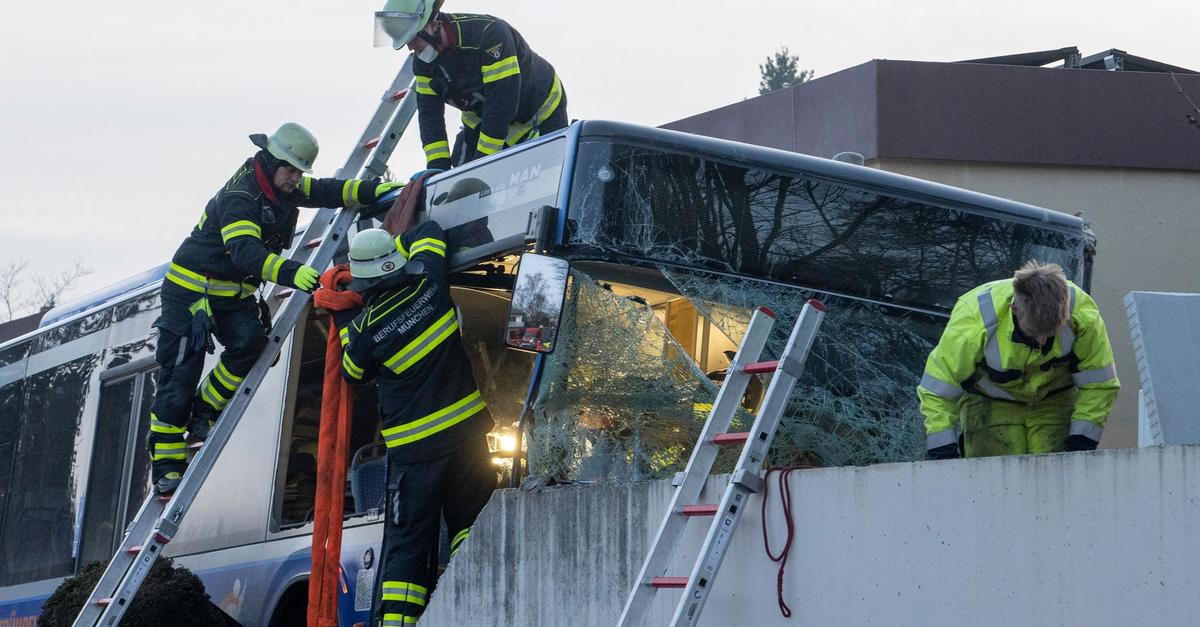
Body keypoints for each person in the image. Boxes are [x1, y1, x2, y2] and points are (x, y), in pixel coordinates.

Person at [148, 122, 403, 494]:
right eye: (291, 170)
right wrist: (290, 272)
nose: (296, 178)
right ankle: (166, 465)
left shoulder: (284, 186)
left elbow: (329, 190)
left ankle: (203, 411)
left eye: (300, 171)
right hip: (191, 292)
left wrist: (374, 191)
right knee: (179, 377)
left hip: (233, 293)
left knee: (251, 345)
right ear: (270, 161)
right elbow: (245, 252)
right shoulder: (240, 196)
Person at [329, 221, 495, 624]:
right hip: (468, 437)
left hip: (416, 454)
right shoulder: (431, 285)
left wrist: (342, 315)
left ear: (362, 281)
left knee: (409, 543)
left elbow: (352, 372)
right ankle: (472, 608)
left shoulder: (365, 330)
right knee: (471, 523)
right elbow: (431, 230)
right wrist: (396, 244)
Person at [918, 260, 1120, 459]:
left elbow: (1099, 385)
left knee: (1053, 474)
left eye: (1051, 333)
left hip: (1055, 401)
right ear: (1014, 309)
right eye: (1033, 332)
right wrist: (942, 450)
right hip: (989, 403)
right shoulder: (974, 319)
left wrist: (1081, 441)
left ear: (1065, 311)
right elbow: (937, 391)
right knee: (993, 474)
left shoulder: (1083, 316)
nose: (1042, 341)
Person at [374, 0, 568, 169]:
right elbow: (429, 116)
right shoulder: (423, 64)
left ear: (433, 25)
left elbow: (501, 104)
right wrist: (437, 166)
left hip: (539, 108)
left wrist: (483, 161)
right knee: (461, 177)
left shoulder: (489, 35)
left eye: (412, 38)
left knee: (549, 170)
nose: (410, 47)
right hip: (482, 116)